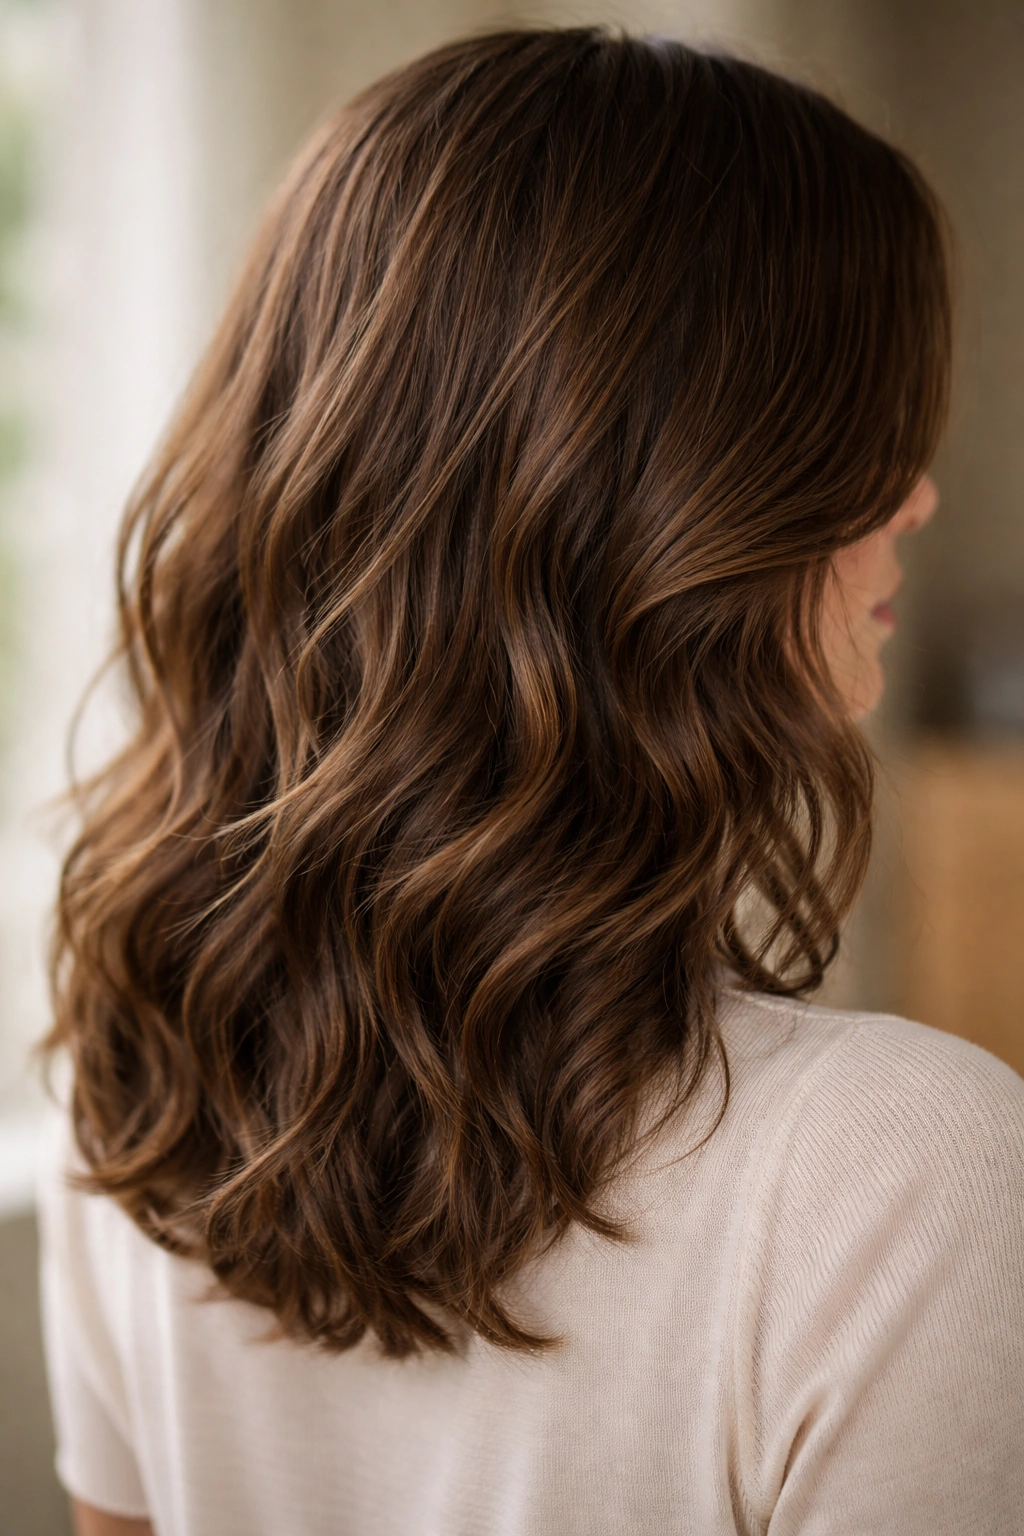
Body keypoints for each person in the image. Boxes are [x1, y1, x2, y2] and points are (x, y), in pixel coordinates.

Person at [38, 28, 1023, 1536]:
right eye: (858, 427)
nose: (919, 492)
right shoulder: (906, 1174)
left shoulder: (138, 1066)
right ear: (678, 493)